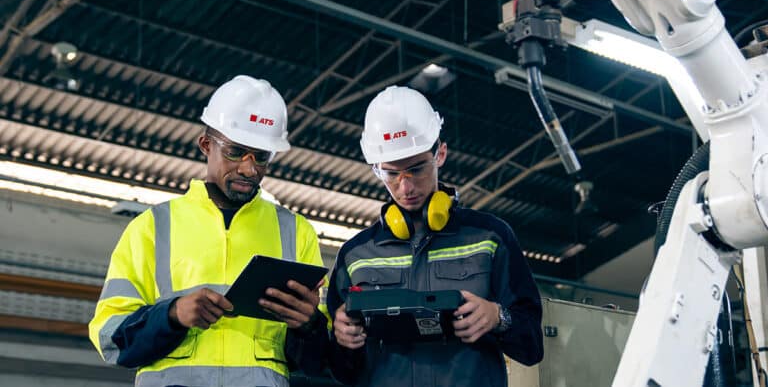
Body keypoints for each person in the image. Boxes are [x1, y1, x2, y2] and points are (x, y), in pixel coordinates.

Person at [89, 75, 329, 387]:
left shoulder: (296, 231)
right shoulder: (151, 227)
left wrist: (309, 324)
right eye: (235, 151)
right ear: (206, 145)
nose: (249, 168)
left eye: (262, 156)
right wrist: (172, 315)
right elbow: (112, 339)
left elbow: (313, 361)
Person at [326, 86, 544, 387]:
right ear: (376, 169)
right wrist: (341, 339)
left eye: (416, 168)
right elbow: (341, 370)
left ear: (439, 153)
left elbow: (533, 345)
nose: (406, 187)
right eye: (391, 174)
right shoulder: (355, 256)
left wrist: (497, 317)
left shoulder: (490, 238)